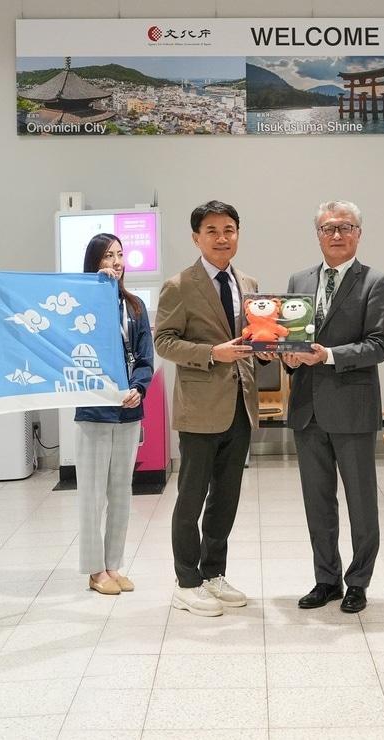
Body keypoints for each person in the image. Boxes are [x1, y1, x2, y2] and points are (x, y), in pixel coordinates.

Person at [284, 201, 384, 615]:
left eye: (345, 227)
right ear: (317, 234)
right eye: (328, 228)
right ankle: (325, 579)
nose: (336, 234)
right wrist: (289, 357)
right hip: (307, 408)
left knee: (361, 503)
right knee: (318, 502)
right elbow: (289, 337)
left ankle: (358, 581)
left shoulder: (375, 282)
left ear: (358, 234)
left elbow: (379, 345)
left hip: (353, 408)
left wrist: (327, 355)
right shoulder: (299, 278)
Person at [154, 200, 259, 617]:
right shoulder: (179, 285)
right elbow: (164, 341)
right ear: (196, 237)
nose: (222, 238)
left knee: (226, 498)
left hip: (240, 407)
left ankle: (214, 573)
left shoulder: (248, 283)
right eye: (212, 230)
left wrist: (269, 351)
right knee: (192, 496)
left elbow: (256, 339)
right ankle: (186, 581)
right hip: (199, 409)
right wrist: (211, 352)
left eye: (229, 229)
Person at [75, 233, 154, 595]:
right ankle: (94, 571)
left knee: (121, 491)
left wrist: (138, 389)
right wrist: (99, 293)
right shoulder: (82, 305)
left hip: (128, 410)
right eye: (108, 256)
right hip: (94, 411)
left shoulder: (135, 306)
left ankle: (113, 564)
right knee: (92, 493)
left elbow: (145, 357)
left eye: (120, 255)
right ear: (94, 262)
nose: (117, 262)